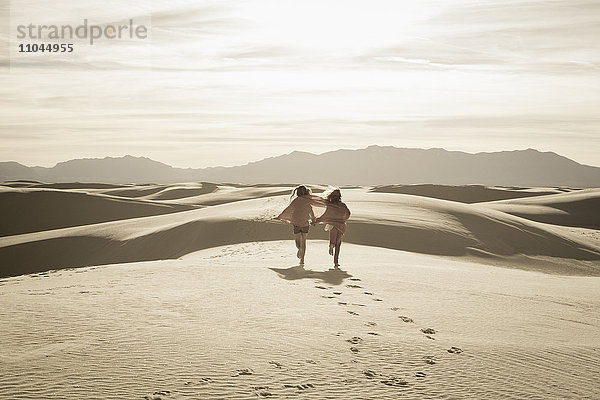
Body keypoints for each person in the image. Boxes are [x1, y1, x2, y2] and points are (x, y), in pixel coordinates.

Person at [276, 185, 324, 265]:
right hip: (305, 224)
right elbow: (311, 212)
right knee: (304, 242)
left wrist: (280, 216)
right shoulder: (308, 201)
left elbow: (289, 209)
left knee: (297, 242)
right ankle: (302, 260)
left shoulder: (296, 200)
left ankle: (299, 249)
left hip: (296, 224)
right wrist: (313, 220)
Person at [315, 189, 351, 268]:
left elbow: (324, 214)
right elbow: (348, 213)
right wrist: (343, 219)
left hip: (332, 225)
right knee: (338, 243)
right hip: (341, 225)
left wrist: (317, 220)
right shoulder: (342, 205)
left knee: (333, 238)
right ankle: (336, 261)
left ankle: (331, 245)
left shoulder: (329, 205)